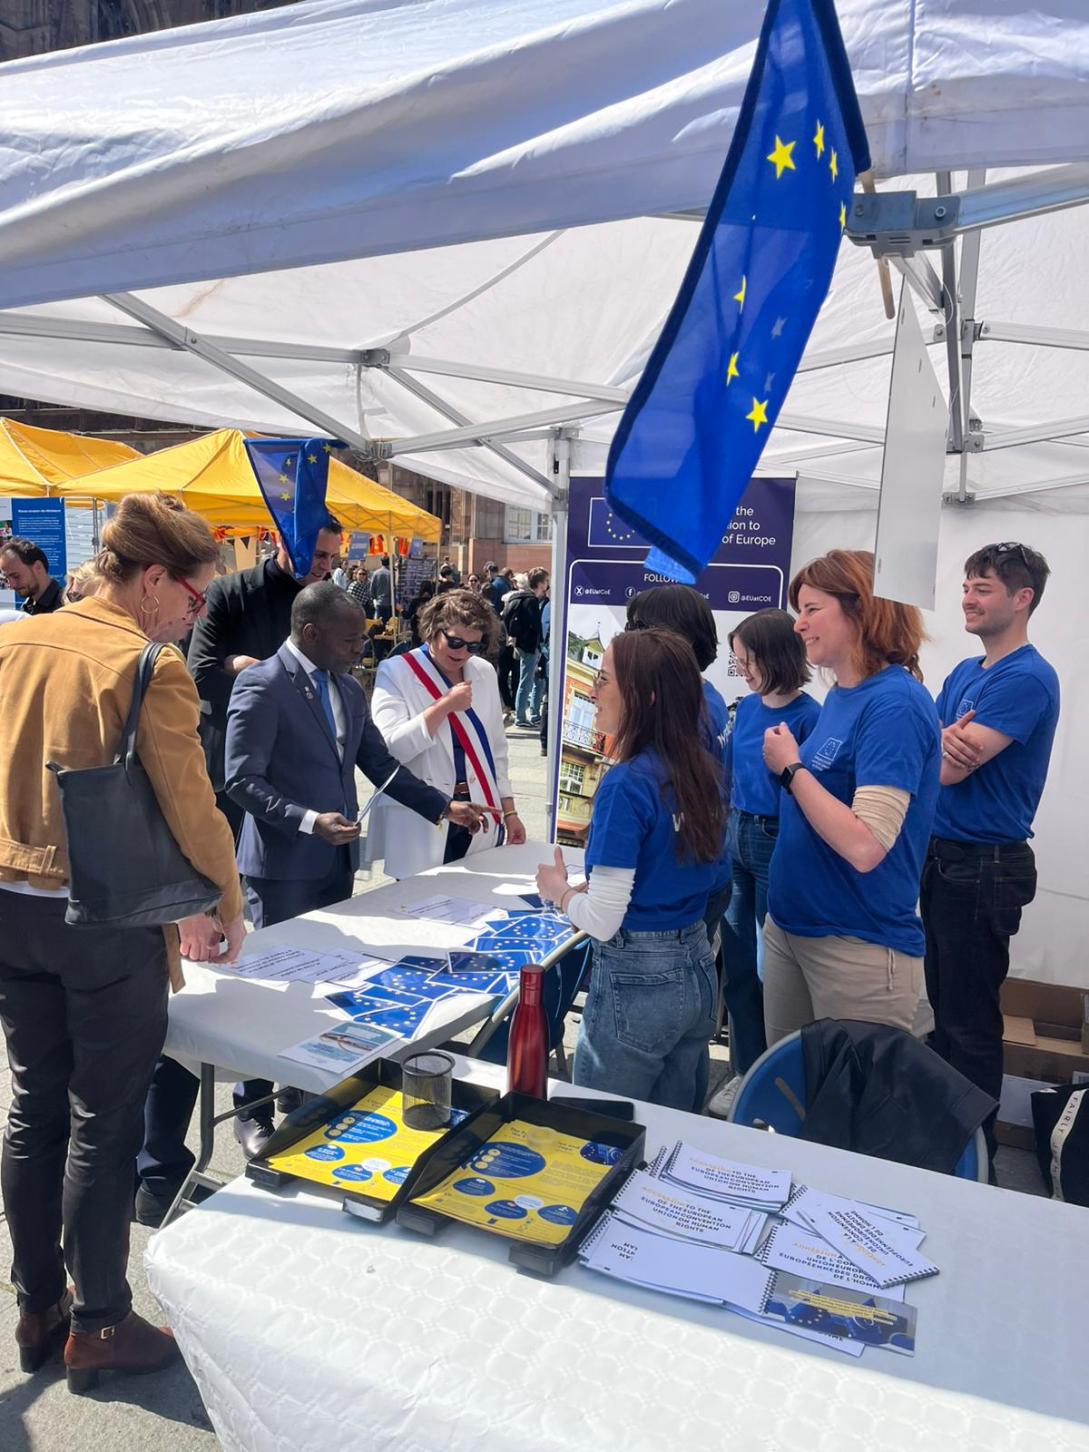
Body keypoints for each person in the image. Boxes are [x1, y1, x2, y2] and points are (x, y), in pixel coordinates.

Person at [0, 493, 244, 1389]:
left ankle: (37, 1305)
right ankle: (99, 1323)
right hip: (99, 916)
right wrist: (225, 900)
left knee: (34, 1105)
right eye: (192, 594)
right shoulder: (146, 664)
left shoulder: (10, 638)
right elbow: (192, 805)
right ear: (151, 580)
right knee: (103, 1121)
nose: (196, 612)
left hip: (8, 903)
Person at [215, 583, 488, 1157]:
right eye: (349, 638)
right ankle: (252, 1102)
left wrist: (442, 806)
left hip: (335, 866)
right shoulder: (261, 685)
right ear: (310, 632)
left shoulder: (345, 687)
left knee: (326, 983)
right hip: (283, 866)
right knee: (274, 988)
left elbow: (381, 764)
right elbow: (240, 779)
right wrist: (309, 820)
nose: (360, 648)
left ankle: (300, 1086)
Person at [535, 628, 728, 1110]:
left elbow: (602, 919)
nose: (593, 692)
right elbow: (696, 866)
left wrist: (558, 891)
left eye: (603, 680)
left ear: (643, 696)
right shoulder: (702, 768)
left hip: (638, 978)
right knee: (670, 1131)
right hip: (696, 964)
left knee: (597, 1133)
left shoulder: (627, 783)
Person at [761, 550, 941, 1046]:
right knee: (790, 1105)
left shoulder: (894, 704)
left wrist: (791, 767)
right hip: (795, 930)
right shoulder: (845, 695)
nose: (799, 625)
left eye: (812, 609)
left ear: (861, 608)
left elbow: (866, 845)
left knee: (852, 1116)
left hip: (856, 945)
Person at [921, 543, 1058, 1160]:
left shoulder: (1027, 677)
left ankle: (973, 1158)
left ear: (1022, 598)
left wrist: (938, 748)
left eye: (983, 589)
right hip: (946, 857)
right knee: (944, 1014)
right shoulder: (962, 674)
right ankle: (944, 1144)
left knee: (969, 1025)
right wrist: (939, 744)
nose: (967, 600)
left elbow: (944, 771)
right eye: (967, 587)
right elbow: (934, 750)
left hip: (983, 865)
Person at [187, 516, 342, 839]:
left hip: (298, 766)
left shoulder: (328, 604)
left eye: (331, 557)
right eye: (317, 555)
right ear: (284, 542)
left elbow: (335, 677)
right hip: (230, 767)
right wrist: (273, 685)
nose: (325, 566)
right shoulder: (228, 592)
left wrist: (246, 668)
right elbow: (201, 674)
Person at [720, 609, 821, 1075]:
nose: (742, 670)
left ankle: (770, 1076)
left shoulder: (810, 717)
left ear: (777, 657)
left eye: (748, 661)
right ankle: (744, 1074)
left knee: (770, 972)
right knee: (737, 966)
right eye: (738, 661)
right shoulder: (747, 708)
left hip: (775, 840)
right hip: (736, 835)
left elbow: (810, 797)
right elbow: (729, 776)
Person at [370, 589, 526, 877]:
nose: (462, 653)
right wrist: (443, 707)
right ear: (433, 630)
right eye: (454, 642)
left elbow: (496, 749)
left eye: (473, 646)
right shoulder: (396, 671)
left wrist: (510, 812)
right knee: (418, 906)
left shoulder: (483, 671)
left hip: (477, 812)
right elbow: (390, 750)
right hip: (423, 815)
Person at [625, 583, 729, 761]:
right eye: (630, 626)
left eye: (642, 627)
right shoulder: (697, 698)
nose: (631, 637)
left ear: (684, 637)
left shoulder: (694, 713)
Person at [503, 566, 549, 727]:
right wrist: (540, 645)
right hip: (529, 646)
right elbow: (536, 625)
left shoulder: (519, 597)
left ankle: (521, 715)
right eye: (546, 581)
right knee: (526, 681)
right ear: (540, 583)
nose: (547, 584)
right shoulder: (532, 600)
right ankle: (521, 717)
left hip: (521, 644)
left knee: (526, 680)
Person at [0, 537, 64, 614]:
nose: (11, 585)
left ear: (38, 567)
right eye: (6, 579)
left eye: (16, 576)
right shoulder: (27, 607)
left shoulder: (66, 607)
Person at [371, 554, 393, 622]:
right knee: (388, 624)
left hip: (379, 602)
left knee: (379, 623)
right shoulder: (391, 574)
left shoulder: (375, 573)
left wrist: (374, 598)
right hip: (389, 603)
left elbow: (372, 588)